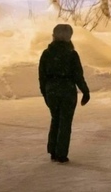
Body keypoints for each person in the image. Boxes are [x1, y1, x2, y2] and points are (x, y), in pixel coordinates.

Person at [38, 24, 90, 163]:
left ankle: (53, 150)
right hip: (67, 90)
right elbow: (78, 76)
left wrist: (45, 92)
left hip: (52, 90)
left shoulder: (47, 54)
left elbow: (42, 76)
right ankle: (61, 153)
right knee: (65, 122)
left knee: (55, 119)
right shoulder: (71, 54)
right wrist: (85, 91)